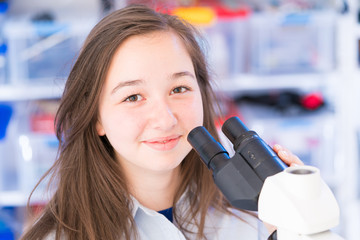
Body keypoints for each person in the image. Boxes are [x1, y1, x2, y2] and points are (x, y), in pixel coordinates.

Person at [20, 4, 303, 240]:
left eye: (179, 89)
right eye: (133, 97)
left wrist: (300, 229)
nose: (165, 119)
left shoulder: (256, 216)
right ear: (96, 118)